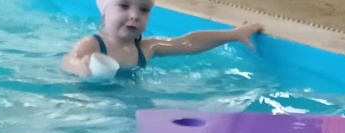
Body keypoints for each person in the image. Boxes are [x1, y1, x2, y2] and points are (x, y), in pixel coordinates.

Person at [61, 0, 263, 78]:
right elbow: (68, 60)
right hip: (91, 104)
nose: (134, 15)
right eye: (123, 5)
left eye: (144, 9)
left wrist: (234, 34)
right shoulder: (93, 44)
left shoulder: (147, 48)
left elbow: (189, 43)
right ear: (105, 11)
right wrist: (78, 65)